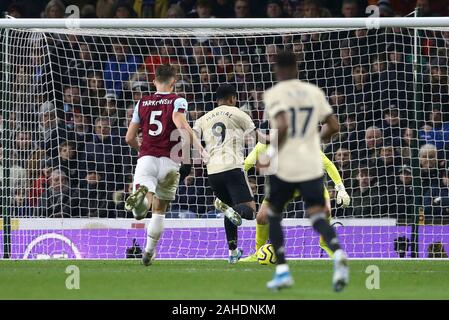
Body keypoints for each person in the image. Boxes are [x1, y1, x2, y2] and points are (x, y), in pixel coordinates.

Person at [261, 50, 348, 291]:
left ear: (277, 70)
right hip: (311, 164)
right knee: (318, 215)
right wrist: (313, 140)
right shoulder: (314, 92)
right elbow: (334, 126)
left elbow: (283, 125)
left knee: (275, 214)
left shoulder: (275, 93)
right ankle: (338, 253)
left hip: (287, 164)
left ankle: (282, 271)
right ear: (297, 68)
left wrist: (269, 154)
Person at [124, 64, 206, 266]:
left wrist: (141, 148)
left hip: (146, 159)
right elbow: (181, 124)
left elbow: (129, 137)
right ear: (174, 82)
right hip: (170, 162)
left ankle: (140, 203)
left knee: (143, 208)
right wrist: (200, 149)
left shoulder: (142, 102)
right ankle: (149, 253)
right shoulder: (177, 100)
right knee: (160, 211)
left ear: (154, 81)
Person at [193, 84, 269, 264]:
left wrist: (201, 154)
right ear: (233, 98)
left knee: (230, 213)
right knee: (249, 211)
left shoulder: (203, 119)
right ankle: (228, 209)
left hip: (212, 172)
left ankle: (233, 253)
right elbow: (259, 138)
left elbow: (191, 138)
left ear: (216, 100)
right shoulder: (239, 113)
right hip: (233, 167)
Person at [240, 142, 351, 262]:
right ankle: (258, 252)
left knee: (325, 210)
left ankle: (325, 244)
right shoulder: (263, 144)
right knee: (262, 217)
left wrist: (340, 188)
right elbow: (244, 166)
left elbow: (327, 164)